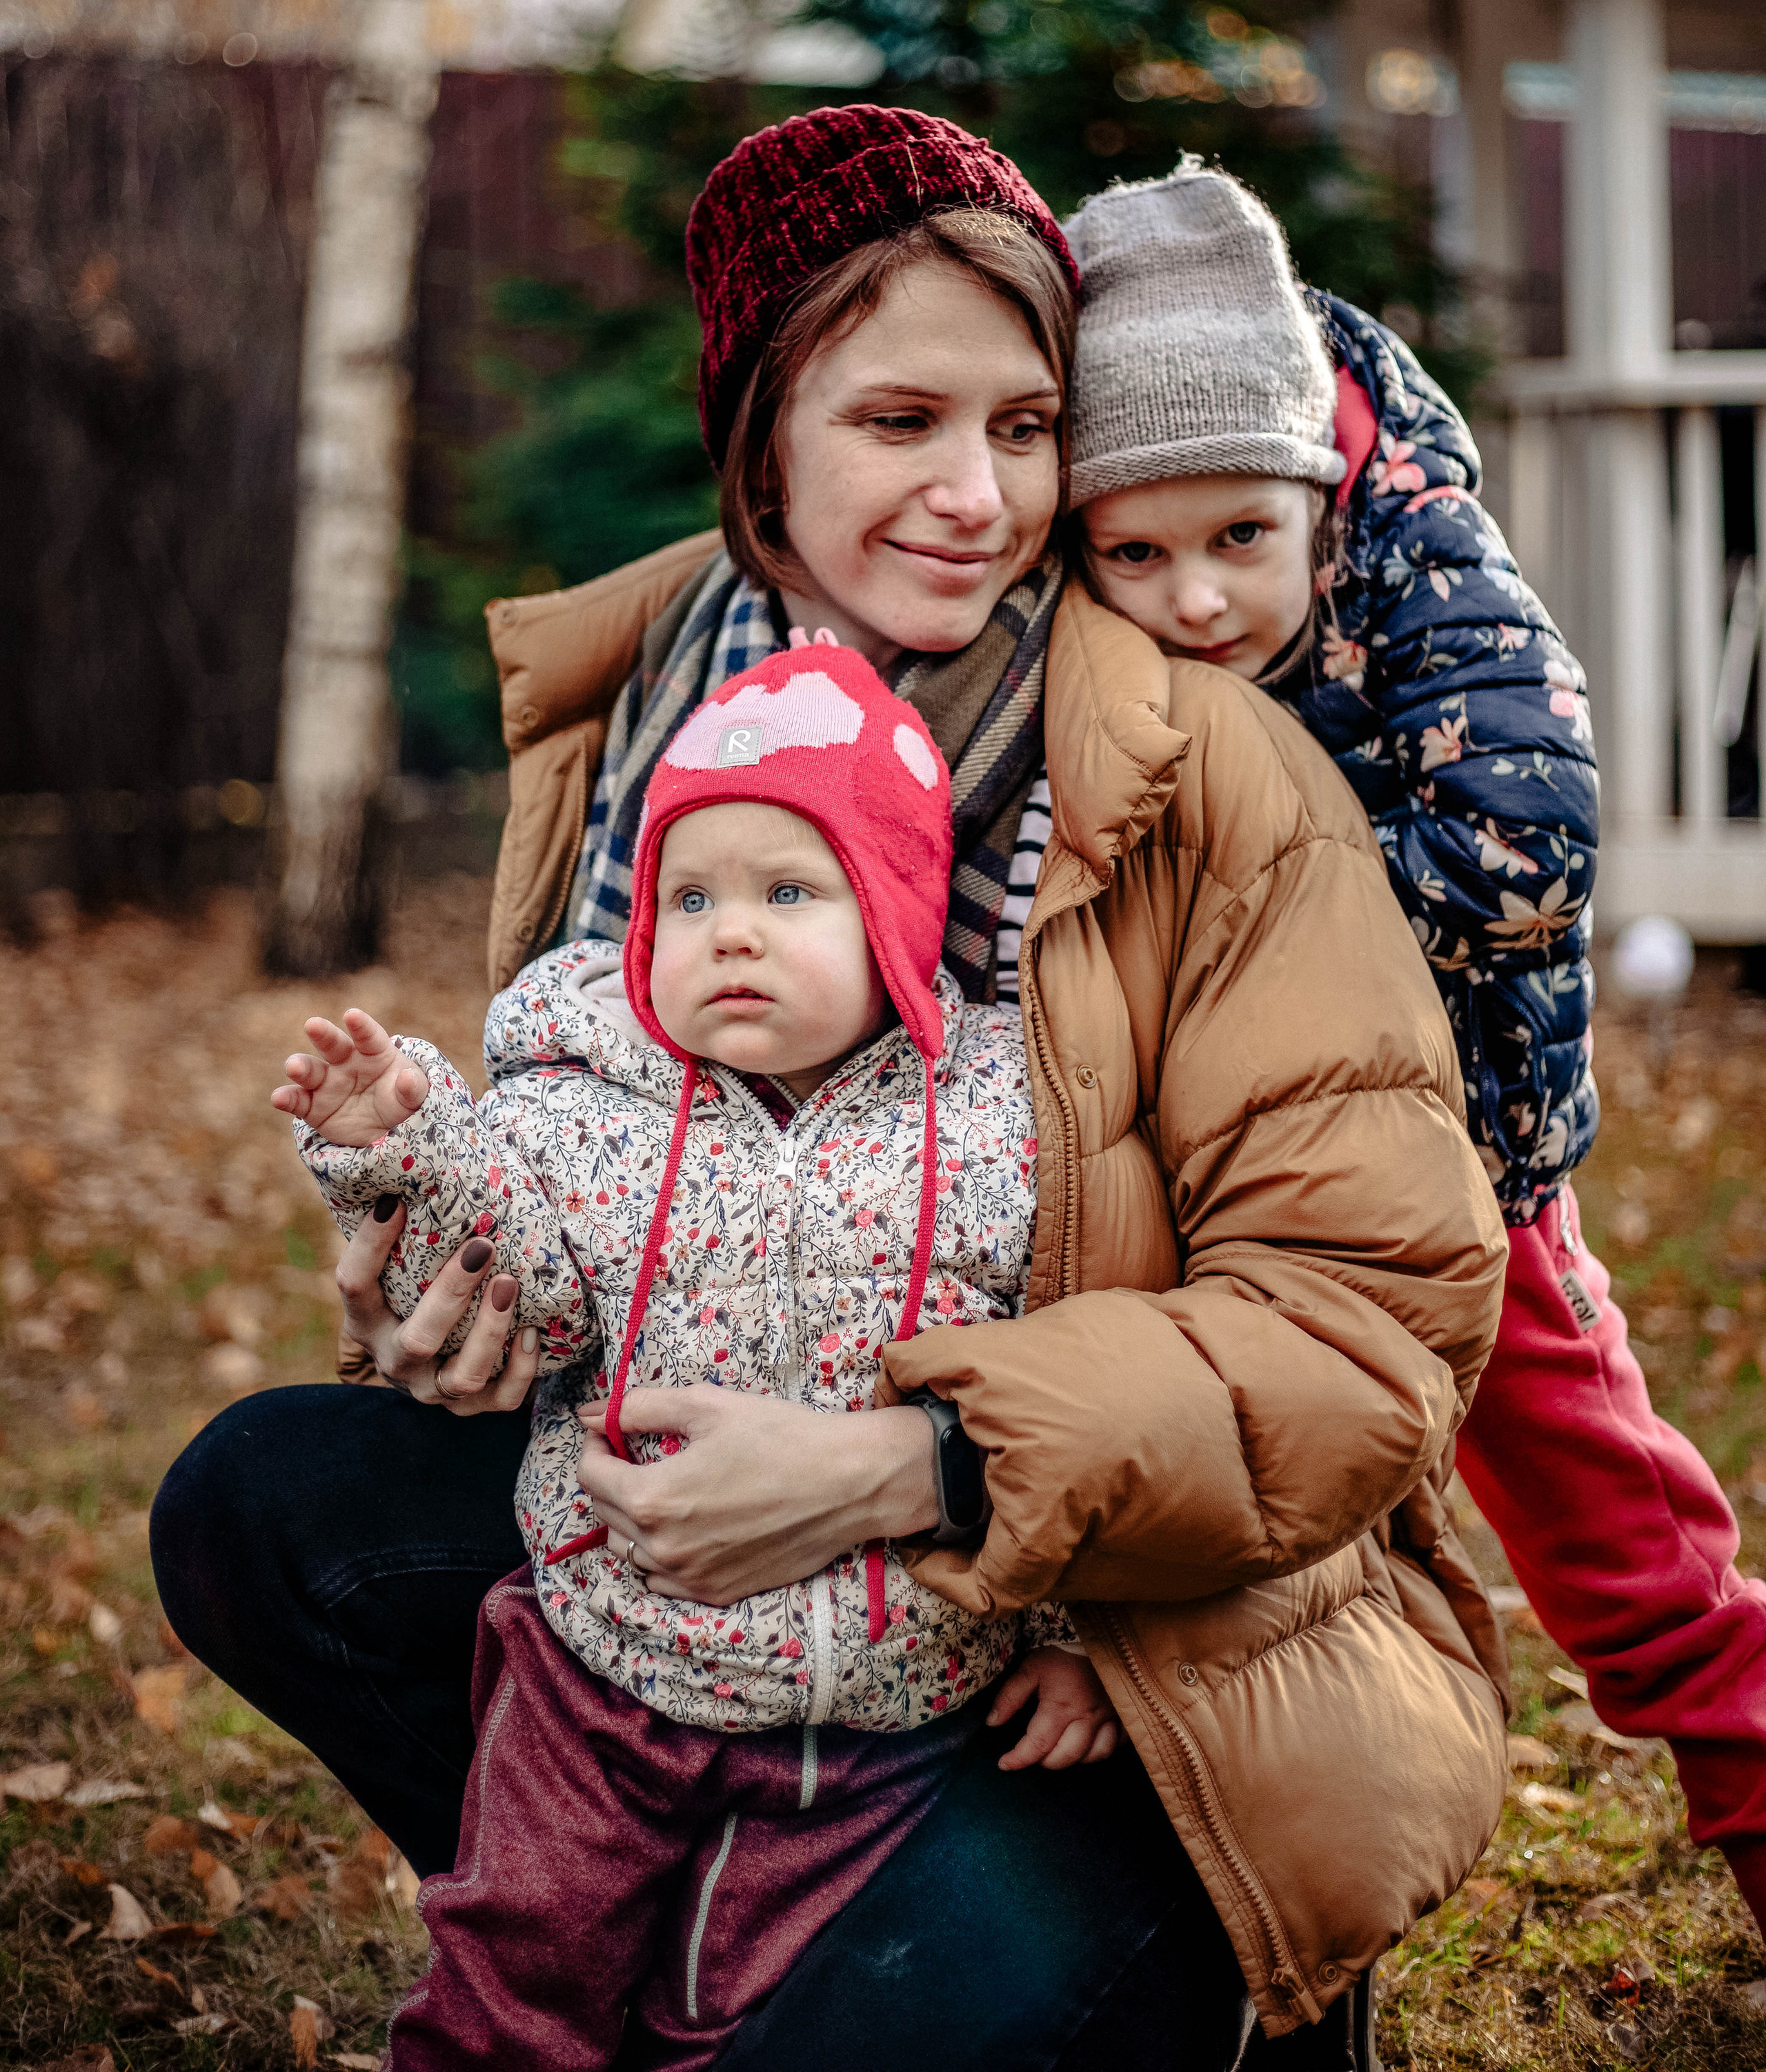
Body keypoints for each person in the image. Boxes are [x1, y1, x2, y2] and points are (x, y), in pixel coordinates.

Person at [155, 106, 1508, 2065]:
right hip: (705, 1622)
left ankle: (1017, 1971)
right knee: (270, 1500)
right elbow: (614, 1141)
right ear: (760, 444)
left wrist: (916, 1470)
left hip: (1114, 1639)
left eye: (1026, 426)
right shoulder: (658, 709)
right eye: (901, 423)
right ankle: (637, 1906)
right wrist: (449, 1265)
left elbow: (1369, 1328)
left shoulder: (1196, 770)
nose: (980, 495)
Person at [1060, 157, 1766, 1934]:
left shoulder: (1427, 579)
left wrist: (1265, 903)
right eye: (1132, 554)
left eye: (1239, 539)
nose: (1194, 598)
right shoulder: (1095, 657)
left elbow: (1524, 838)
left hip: (1467, 1169)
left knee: (1614, 1537)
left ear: (1318, 502)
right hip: (1238, 1195)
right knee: (1265, 1544)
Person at [275, 641, 1114, 2065]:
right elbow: (518, 1306)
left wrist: (1078, 1630)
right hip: (602, 1679)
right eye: (692, 896)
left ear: (900, 922)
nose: (731, 932)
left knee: (741, 2012)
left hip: (887, 1715)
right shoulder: (590, 1110)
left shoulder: (1000, 1129)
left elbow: (1057, 1386)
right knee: (513, 1965)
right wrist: (407, 1153)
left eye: (790, 893)